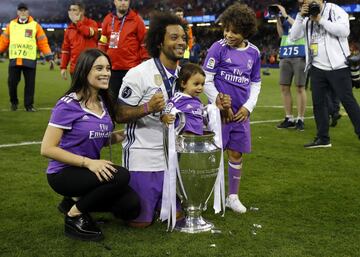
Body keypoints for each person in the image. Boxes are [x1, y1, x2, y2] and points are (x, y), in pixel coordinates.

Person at [116, 12, 230, 227]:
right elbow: (120, 114)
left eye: (183, 38)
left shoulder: (185, 76)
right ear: (160, 41)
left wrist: (218, 108)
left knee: (178, 217)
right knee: (141, 222)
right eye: (174, 37)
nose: (181, 42)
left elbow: (197, 114)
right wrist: (147, 107)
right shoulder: (139, 73)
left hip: (175, 161)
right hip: (144, 158)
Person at [40, 48, 140, 241]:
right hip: (64, 173)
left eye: (108, 68)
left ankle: (72, 201)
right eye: (99, 68)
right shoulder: (68, 104)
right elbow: (47, 148)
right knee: (121, 176)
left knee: (131, 206)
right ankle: (74, 215)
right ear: (85, 71)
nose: (106, 73)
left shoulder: (104, 102)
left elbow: (101, 138)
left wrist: (126, 135)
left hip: (89, 173)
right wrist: (89, 163)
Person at [202, 3, 261, 213]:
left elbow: (255, 82)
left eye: (234, 31)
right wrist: (219, 103)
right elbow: (206, 80)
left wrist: (248, 107)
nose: (229, 34)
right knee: (213, 155)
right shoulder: (218, 47)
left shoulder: (254, 53)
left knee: (236, 154)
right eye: (226, 29)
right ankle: (204, 195)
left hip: (240, 114)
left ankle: (232, 197)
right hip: (219, 113)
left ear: (246, 32)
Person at [289, 0, 360, 148]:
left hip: (338, 66)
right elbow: (293, 37)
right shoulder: (305, 16)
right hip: (317, 67)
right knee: (318, 104)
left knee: (348, 101)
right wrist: (300, 17)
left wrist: (320, 20)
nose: (305, 1)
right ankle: (323, 138)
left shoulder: (335, 10)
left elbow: (344, 31)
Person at [0, 2, 54, 112]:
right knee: (12, 83)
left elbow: (43, 42)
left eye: (25, 10)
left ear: (28, 12)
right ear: (17, 12)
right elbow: (3, 41)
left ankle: (29, 106)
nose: (23, 12)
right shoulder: (11, 25)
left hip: (30, 60)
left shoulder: (35, 25)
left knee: (30, 85)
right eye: (21, 10)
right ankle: (14, 102)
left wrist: (49, 57)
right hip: (15, 60)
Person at [98, 0, 149, 101]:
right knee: (110, 100)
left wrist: (145, 60)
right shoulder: (108, 19)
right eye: (120, 0)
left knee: (130, 100)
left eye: (125, 0)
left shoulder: (137, 20)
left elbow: (144, 43)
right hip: (111, 69)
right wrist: (100, 57)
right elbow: (103, 41)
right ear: (115, 2)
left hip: (131, 69)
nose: (123, 2)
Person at [274, 1, 307, 131]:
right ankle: (289, 118)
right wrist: (277, 18)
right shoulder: (289, 12)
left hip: (299, 53)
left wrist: (285, 15)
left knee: (300, 87)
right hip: (285, 53)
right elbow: (282, 34)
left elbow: (300, 29)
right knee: (284, 87)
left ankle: (300, 119)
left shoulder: (305, 13)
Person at [161, 63, 205, 135]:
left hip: (197, 139)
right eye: (196, 84)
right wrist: (165, 117)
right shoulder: (178, 99)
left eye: (202, 84)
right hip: (182, 141)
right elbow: (165, 112)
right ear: (183, 84)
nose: (200, 87)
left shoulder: (198, 100)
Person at [60, 1, 98, 80]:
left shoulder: (92, 23)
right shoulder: (69, 30)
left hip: (90, 67)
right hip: (75, 69)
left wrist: (78, 23)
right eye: (70, 10)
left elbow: (88, 33)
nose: (71, 12)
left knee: (91, 92)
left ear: (82, 11)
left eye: (74, 10)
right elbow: (66, 50)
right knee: (76, 92)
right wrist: (63, 67)